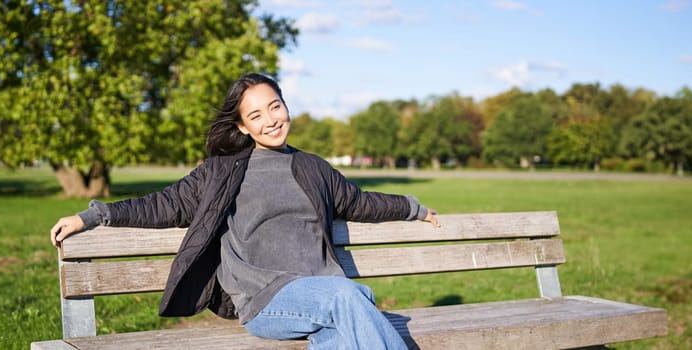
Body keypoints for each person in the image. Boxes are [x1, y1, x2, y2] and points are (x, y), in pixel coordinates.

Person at [50, 73, 439, 349]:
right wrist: (93, 216)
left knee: (340, 331)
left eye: (275, 106)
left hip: (324, 295)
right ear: (243, 125)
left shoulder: (313, 167)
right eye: (256, 115)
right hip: (266, 301)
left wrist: (413, 208)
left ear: (285, 105)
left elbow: (359, 202)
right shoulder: (223, 171)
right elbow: (163, 204)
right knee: (351, 298)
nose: (271, 120)